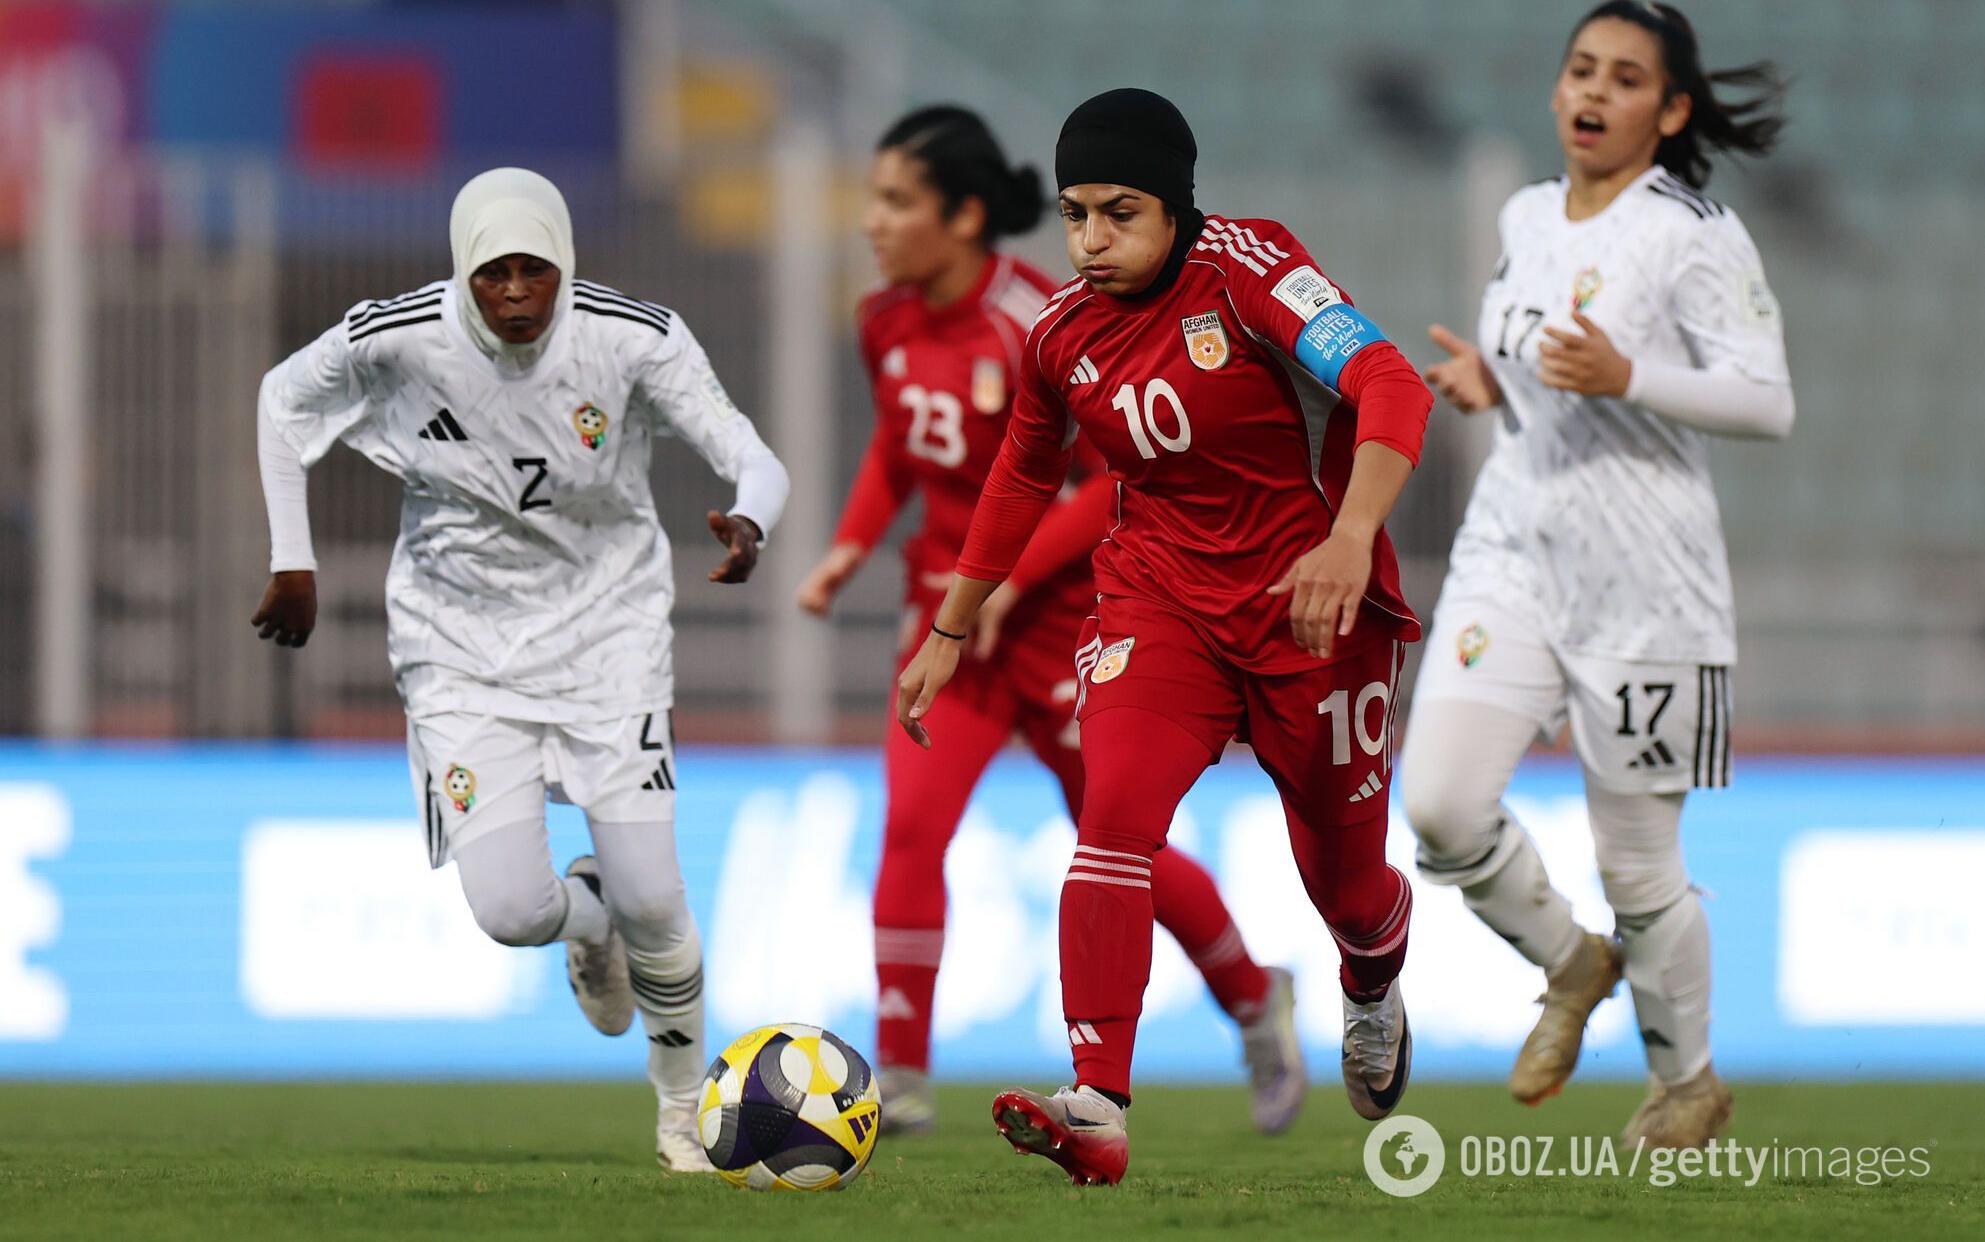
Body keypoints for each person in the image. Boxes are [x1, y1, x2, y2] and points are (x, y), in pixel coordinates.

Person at [895, 89, 1434, 1185]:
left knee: (1345, 880)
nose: (1090, 240)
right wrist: (951, 626)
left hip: (1309, 606)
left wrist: (1347, 538)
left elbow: (1389, 383)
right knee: (1110, 818)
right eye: (1073, 214)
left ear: (1177, 207)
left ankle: (1370, 981)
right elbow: (1020, 475)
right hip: (1161, 601)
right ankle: (1097, 1100)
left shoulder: (1248, 270)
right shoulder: (1059, 335)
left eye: (1118, 212)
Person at [250, 167, 789, 1173]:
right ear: (462, 271)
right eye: (491, 271)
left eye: (532, 269)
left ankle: (682, 1115)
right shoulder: (397, 335)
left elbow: (755, 456)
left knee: (657, 898)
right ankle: (588, 926)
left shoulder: (633, 336)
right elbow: (282, 400)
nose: (512, 290)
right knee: (510, 912)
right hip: (457, 650)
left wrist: (751, 518)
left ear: (564, 264)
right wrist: (294, 559)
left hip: (608, 644)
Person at [796, 106, 1304, 1138]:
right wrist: (852, 541)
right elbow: (900, 445)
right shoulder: (881, 319)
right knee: (908, 824)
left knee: (1121, 848)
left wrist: (1006, 588)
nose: (872, 221)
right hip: (948, 623)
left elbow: (1090, 480)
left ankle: (1255, 1000)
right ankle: (898, 1078)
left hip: (1066, 620)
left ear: (964, 214)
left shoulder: (1038, 318)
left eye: (895, 200)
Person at [1402, 0, 1793, 1150]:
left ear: (1669, 111)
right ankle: (1571, 965)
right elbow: (1542, 362)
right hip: (1510, 553)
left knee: (1637, 863)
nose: (1591, 93)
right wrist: (1494, 381)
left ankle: (1685, 1086)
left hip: (1644, 585)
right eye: (1579, 69)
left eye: (1625, 79)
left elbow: (1766, 403)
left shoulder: (1694, 232)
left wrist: (1631, 375)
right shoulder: (1525, 216)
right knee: (1437, 804)